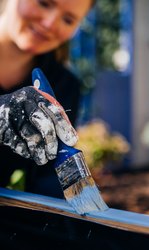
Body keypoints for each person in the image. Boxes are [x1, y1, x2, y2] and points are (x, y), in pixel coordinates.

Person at [0, 0, 94, 198]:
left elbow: (45, 179)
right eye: (44, 3)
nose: (50, 24)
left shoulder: (63, 86)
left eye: (68, 20)